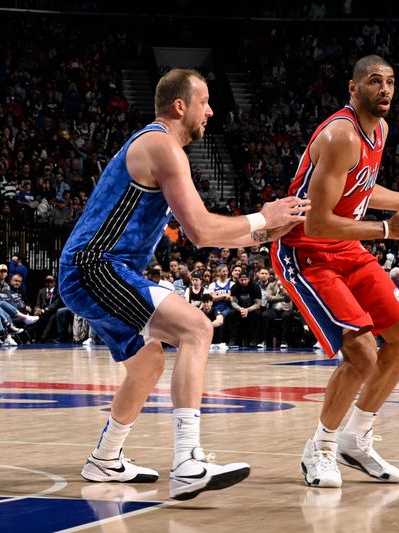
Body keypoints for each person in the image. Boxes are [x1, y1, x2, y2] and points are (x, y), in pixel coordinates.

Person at [58, 68, 308, 500]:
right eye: (204, 102)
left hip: (103, 269)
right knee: (198, 328)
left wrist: (271, 230)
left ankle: (105, 459)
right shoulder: (161, 145)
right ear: (180, 106)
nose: (210, 111)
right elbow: (201, 231)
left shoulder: (161, 148)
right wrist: (264, 219)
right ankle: (188, 461)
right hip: (95, 266)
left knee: (148, 363)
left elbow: (213, 232)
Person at [271, 56, 399, 488]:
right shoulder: (341, 134)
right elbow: (317, 222)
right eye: (375, 81)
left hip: (347, 245)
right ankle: (319, 448)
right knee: (361, 353)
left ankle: (355, 439)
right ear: (353, 88)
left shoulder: (379, 129)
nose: (385, 89)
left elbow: (362, 187)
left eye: (391, 82)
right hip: (305, 250)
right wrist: (386, 229)